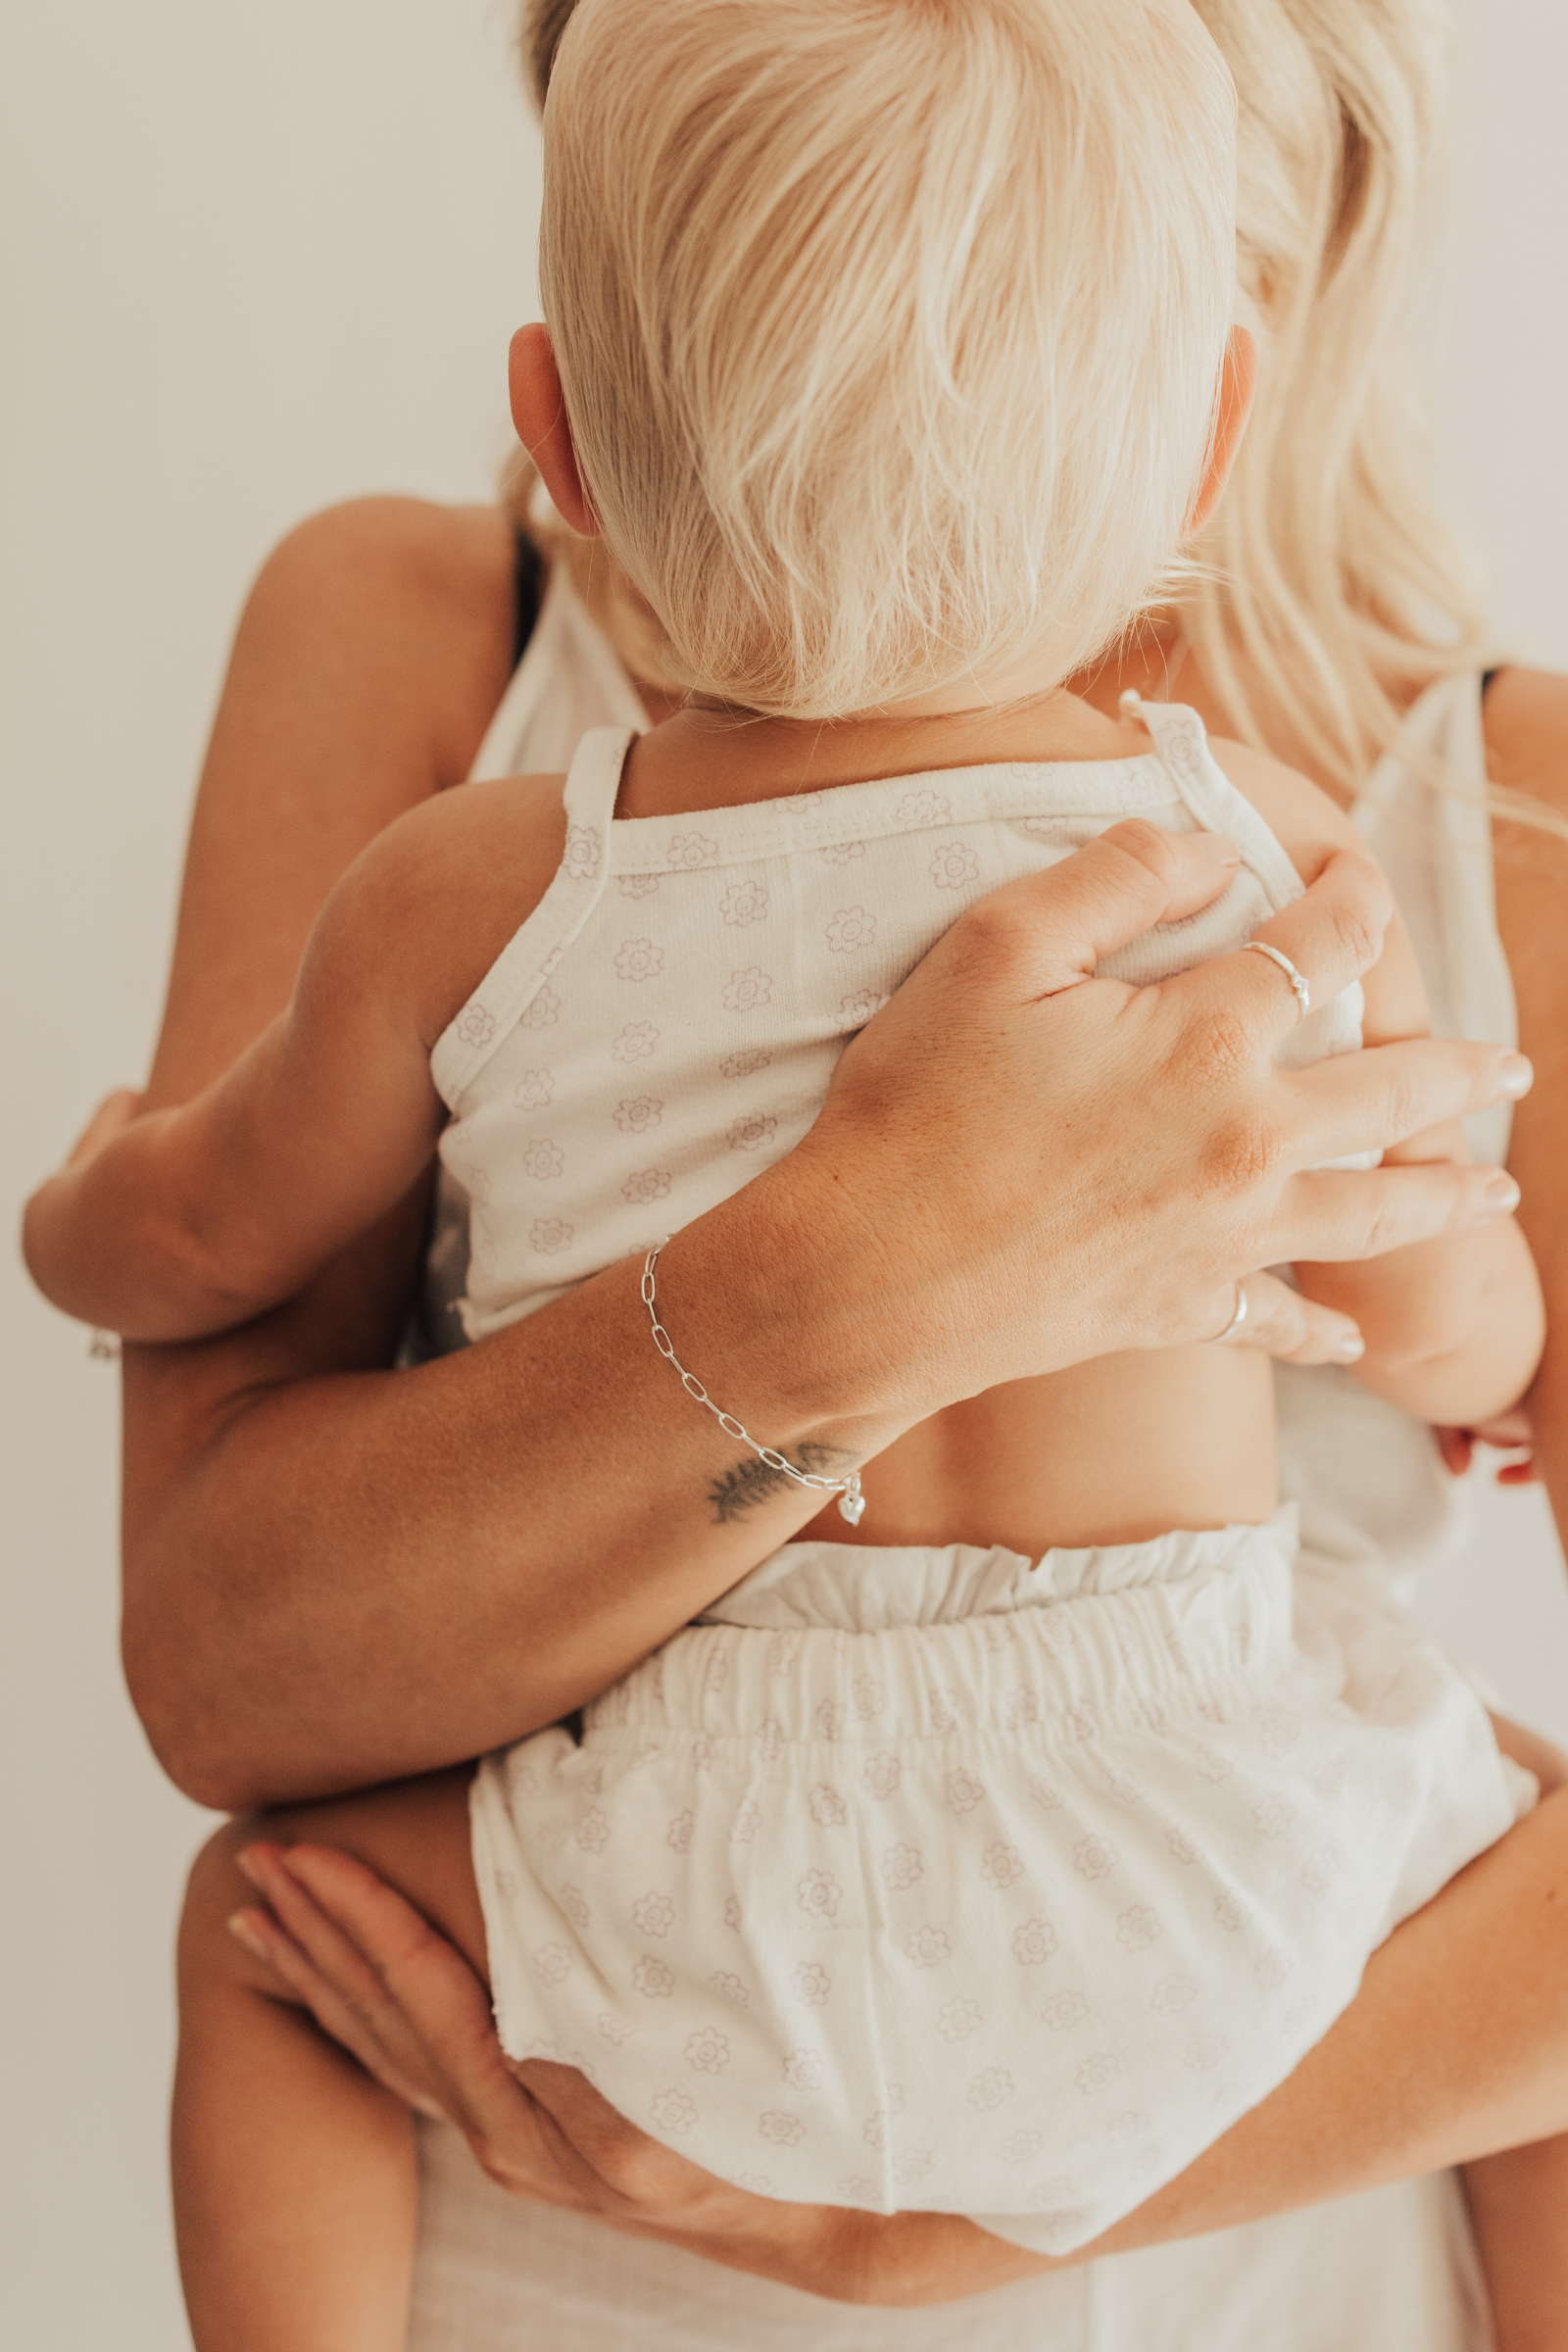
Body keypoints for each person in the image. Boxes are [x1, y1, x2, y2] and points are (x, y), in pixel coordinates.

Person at [23, 1, 1563, 2344]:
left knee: (273, 1932)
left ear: (563, 422)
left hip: (703, 1929)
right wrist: (880, 1276)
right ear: (1207, 407)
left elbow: (189, 1234)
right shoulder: (1279, 867)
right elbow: (219, 1661)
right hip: (1192, 1916)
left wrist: (82, 1201)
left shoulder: (488, 878)